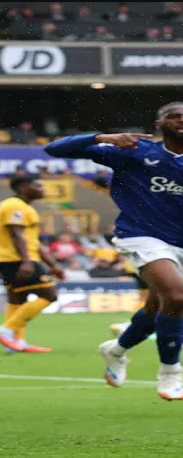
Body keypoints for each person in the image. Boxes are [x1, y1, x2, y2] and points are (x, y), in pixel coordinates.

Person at [44, 103, 183, 400]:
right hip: (142, 235)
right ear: (159, 124)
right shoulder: (134, 151)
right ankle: (170, 372)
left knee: (157, 308)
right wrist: (101, 138)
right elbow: (54, 149)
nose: (181, 120)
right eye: (174, 116)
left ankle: (116, 351)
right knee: (177, 297)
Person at [0, 175, 64, 354]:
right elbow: (16, 234)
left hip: (12, 258)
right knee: (49, 294)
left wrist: (52, 265)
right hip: (16, 259)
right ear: (23, 187)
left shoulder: (25, 207)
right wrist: (27, 262)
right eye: (38, 186)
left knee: (18, 299)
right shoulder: (14, 206)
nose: (42, 189)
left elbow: (33, 241)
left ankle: (16, 342)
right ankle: (6, 329)